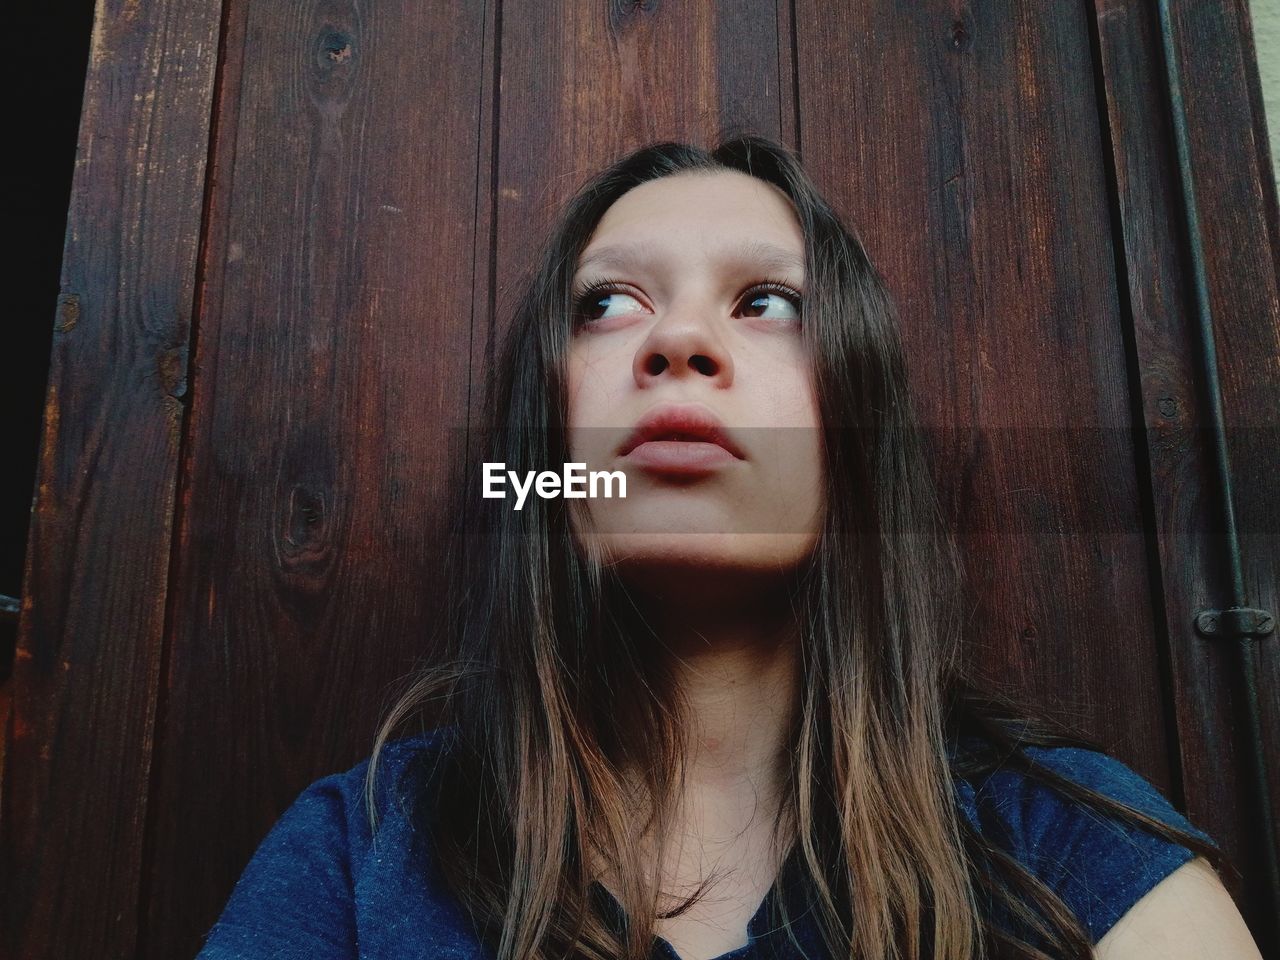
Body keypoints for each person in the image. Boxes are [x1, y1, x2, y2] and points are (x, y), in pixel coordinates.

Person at [196, 137, 1263, 960]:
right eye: (607, 304)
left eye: (767, 302)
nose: (677, 341)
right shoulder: (357, 853)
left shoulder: (1065, 843)